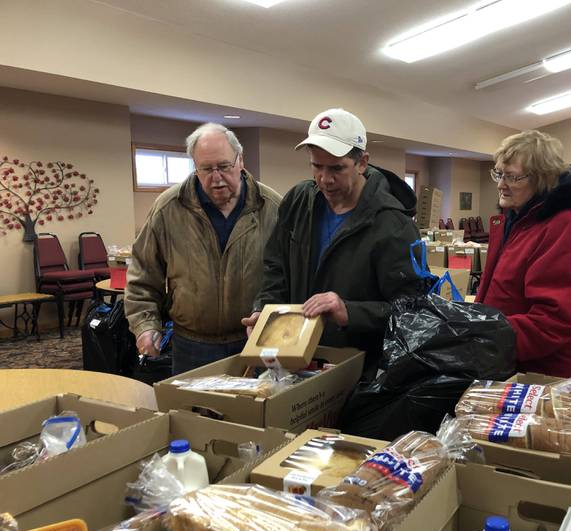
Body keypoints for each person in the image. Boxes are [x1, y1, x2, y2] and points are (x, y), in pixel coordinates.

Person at [242, 108, 420, 377]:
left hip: (356, 368)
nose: (325, 178)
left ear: (362, 163)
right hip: (293, 359)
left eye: (337, 168)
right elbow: (275, 268)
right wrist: (263, 311)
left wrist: (349, 310)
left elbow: (412, 310)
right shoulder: (299, 201)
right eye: (317, 166)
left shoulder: (394, 224)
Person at [126, 122, 282, 374]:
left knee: (253, 412)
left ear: (240, 160)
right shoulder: (169, 208)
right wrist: (145, 326)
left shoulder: (271, 207)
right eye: (206, 169)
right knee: (192, 413)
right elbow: (142, 276)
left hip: (254, 340)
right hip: (192, 345)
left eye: (223, 166)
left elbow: (286, 274)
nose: (216, 177)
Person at [476, 130, 571, 377]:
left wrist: (479, 338)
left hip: (542, 374)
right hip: (503, 361)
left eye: (512, 177)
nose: (500, 185)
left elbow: (553, 321)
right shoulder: (515, 221)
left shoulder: (567, 227)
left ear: (542, 179)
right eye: (498, 173)